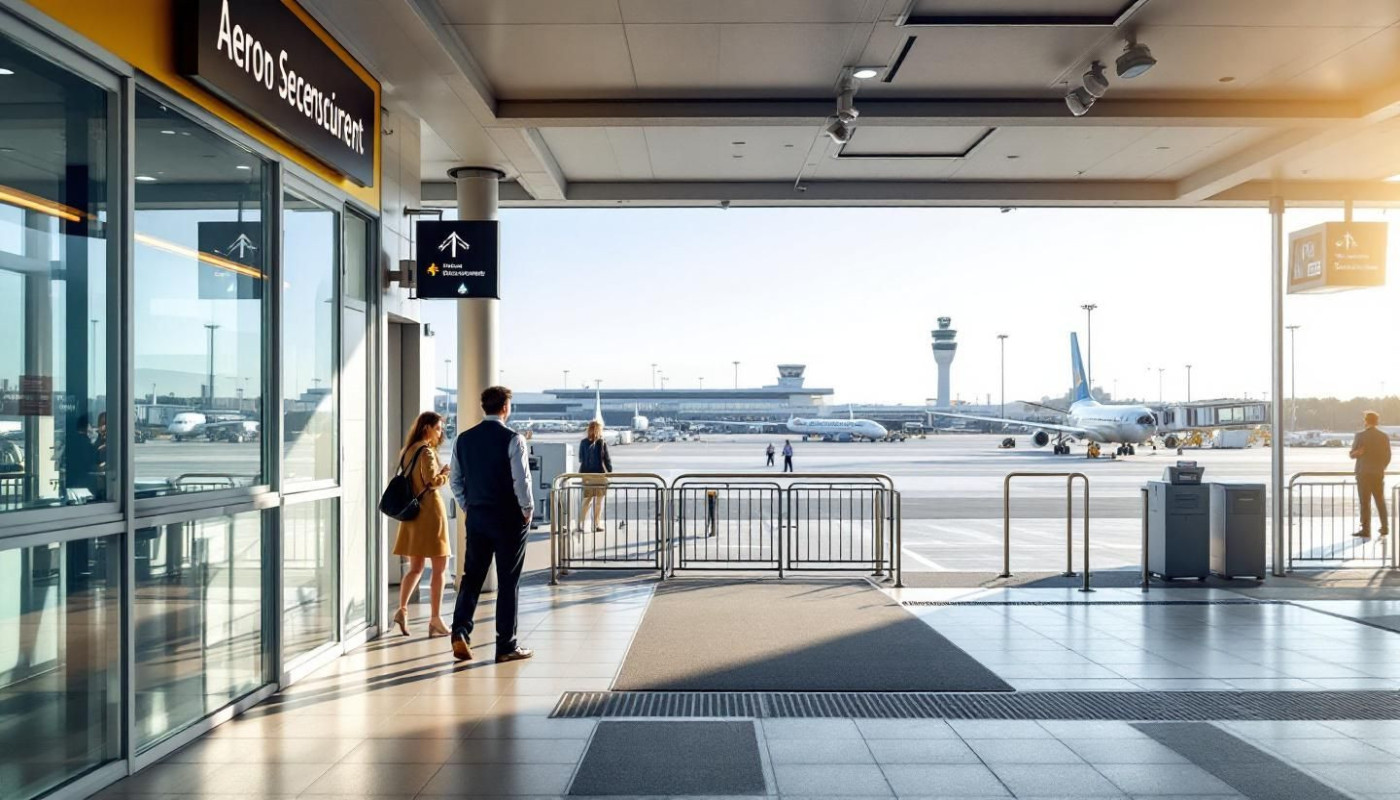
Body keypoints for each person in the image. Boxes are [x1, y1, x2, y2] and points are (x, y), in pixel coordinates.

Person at [449, 386, 534, 663]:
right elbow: (521, 480)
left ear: (483, 407)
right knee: (508, 581)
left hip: (477, 517)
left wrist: (468, 506)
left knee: (471, 577)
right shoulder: (513, 439)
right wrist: (527, 510)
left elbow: (455, 480)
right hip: (508, 518)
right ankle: (506, 645)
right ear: (505, 408)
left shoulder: (463, 440)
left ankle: (460, 630)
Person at [390, 411, 452, 637]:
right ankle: (435, 619)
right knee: (440, 568)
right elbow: (432, 482)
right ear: (427, 428)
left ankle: (402, 609)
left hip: (412, 516)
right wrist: (445, 473)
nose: (440, 432)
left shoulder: (407, 451)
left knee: (415, 568)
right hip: (430, 514)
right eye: (437, 428)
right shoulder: (426, 451)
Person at [1350, 410, 1391, 539]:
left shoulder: (1360, 436)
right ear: (1377, 421)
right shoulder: (1384, 436)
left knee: (1365, 502)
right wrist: (1381, 467)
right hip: (1378, 473)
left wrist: (1358, 453)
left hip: (1363, 473)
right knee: (1380, 500)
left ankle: (1366, 529)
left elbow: (1352, 454)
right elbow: (1388, 456)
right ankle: (1385, 527)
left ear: (1365, 421)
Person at [577, 420, 613, 533]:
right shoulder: (602, 443)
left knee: (586, 501)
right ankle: (596, 524)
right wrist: (610, 472)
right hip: (599, 474)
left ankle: (581, 524)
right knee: (598, 502)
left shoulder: (583, 442)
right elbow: (606, 459)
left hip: (586, 474)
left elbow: (580, 458)